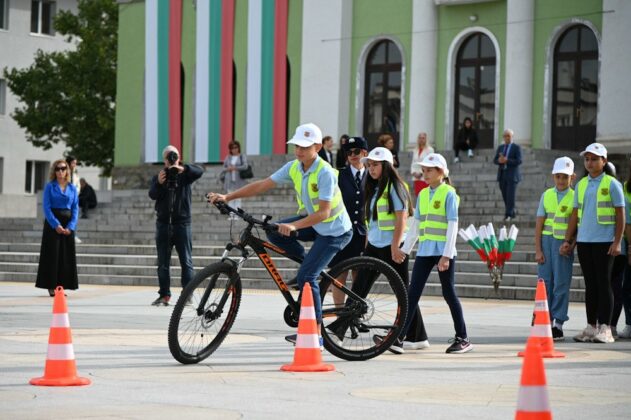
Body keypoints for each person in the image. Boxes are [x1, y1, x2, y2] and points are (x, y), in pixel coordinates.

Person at [207, 123, 353, 348]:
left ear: (317, 146)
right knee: (272, 230)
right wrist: (227, 197)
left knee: (306, 277)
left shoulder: (324, 172)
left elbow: (324, 213)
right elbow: (262, 185)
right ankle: (309, 263)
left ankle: (315, 333)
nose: (299, 151)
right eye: (296, 146)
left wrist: (294, 226)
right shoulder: (294, 167)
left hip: (334, 230)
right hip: (315, 224)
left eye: (304, 146)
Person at [381, 153, 473, 354]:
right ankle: (399, 338)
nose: (425, 174)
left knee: (449, 293)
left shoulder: (449, 193)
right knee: (412, 293)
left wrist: (447, 255)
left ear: (441, 172)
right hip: (425, 250)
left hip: (443, 252)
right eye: (423, 170)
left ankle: (463, 338)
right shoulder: (422, 195)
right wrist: (405, 249)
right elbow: (416, 225)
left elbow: (452, 226)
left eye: (429, 170)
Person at [361, 147, 429, 352]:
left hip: (391, 246)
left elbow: (401, 217)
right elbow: (371, 221)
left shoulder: (396, 186)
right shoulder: (373, 187)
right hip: (374, 245)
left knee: (403, 293)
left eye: (375, 165)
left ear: (387, 166)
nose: (371, 169)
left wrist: (395, 246)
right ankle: (340, 328)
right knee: (359, 287)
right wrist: (367, 244)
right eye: (369, 165)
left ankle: (412, 336)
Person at [560, 143, 625, 344]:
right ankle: (591, 326)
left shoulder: (612, 184)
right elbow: (575, 214)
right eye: (587, 159)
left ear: (604, 161)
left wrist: (617, 241)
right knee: (590, 285)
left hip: (605, 241)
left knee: (604, 283)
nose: (589, 162)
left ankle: (605, 328)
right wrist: (568, 240)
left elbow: (620, 214)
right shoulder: (581, 185)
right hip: (585, 241)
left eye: (594, 159)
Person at [148, 145, 204, 306]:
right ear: (164, 160)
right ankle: (164, 295)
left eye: (175, 156)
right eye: (169, 157)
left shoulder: (185, 175)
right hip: (163, 224)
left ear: (179, 157)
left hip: (182, 224)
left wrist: (182, 168)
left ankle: (187, 295)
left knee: (186, 261)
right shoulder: (159, 176)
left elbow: (200, 171)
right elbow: (152, 194)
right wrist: (159, 183)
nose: (172, 159)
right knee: (162, 263)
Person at [534, 157, 576, 341]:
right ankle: (544, 318)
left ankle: (558, 323)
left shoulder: (575, 197)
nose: (561, 180)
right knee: (545, 283)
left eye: (565, 177)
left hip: (563, 247)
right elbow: (539, 223)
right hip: (546, 243)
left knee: (561, 284)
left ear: (572, 177)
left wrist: (571, 245)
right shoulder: (547, 195)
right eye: (558, 176)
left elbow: (577, 225)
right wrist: (538, 249)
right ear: (553, 176)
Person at [328, 136, 368, 305]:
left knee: (359, 276)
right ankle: (339, 313)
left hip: (362, 234)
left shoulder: (372, 175)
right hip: (342, 232)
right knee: (339, 274)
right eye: (349, 152)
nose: (352, 155)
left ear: (364, 152)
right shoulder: (339, 175)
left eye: (356, 151)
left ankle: (354, 315)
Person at [35, 159, 79, 297]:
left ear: (67, 170)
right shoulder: (50, 186)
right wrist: (56, 225)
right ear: (54, 171)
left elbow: (75, 209)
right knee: (52, 255)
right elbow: (46, 208)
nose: (61, 171)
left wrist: (71, 226)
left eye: (63, 168)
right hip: (53, 225)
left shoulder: (72, 188)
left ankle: (61, 286)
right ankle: (51, 285)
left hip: (67, 226)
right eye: (58, 169)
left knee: (65, 257)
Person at [493, 129, 522, 221]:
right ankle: (511, 212)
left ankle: (508, 214)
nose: (506, 138)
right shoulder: (501, 147)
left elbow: (519, 160)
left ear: (512, 137)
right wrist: (499, 161)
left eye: (508, 136)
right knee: (505, 195)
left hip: (512, 176)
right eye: (505, 136)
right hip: (502, 175)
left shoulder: (516, 147)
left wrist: (507, 160)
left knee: (510, 196)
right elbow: (495, 160)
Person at [222, 140, 249, 220]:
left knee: (238, 198)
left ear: (238, 148)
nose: (234, 149)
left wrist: (235, 168)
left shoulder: (241, 156)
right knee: (230, 198)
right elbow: (223, 168)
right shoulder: (228, 157)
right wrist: (228, 169)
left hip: (239, 181)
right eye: (232, 148)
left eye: (236, 147)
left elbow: (245, 166)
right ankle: (231, 215)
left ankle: (237, 215)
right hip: (229, 181)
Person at [410, 132, 434, 198]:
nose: (421, 140)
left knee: (425, 195)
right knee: (418, 195)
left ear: (426, 139)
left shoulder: (430, 150)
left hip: (424, 176)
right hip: (416, 177)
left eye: (423, 138)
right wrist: (413, 172)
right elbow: (413, 162)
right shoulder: (415, 150)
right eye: (420, 138)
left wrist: (421, 173)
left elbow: (429, 163)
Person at [66, 156, 82, 243]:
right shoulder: (63, 172)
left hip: (74, 198)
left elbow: (78, 185)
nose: (75, 165)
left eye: (75, 163)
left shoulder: (76, 174)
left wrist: (76, 193)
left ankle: (73, 235)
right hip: (64, 199)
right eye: (73, 163)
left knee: (74, 217)